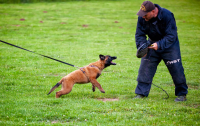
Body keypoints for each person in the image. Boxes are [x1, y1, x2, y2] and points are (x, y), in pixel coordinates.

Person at [134, 1, 188, 101]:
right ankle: (141, 93)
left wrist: (159, 45)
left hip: (170, 45)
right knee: (145, 68)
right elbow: (139, 34)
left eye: (145, 15)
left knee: (176, 69)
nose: (143, 17)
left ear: (154, 11)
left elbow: (171, 35)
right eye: (142, 14)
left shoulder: (167, 15)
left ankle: (182, 94)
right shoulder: (142, 17)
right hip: (151, 44)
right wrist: (142, 46)